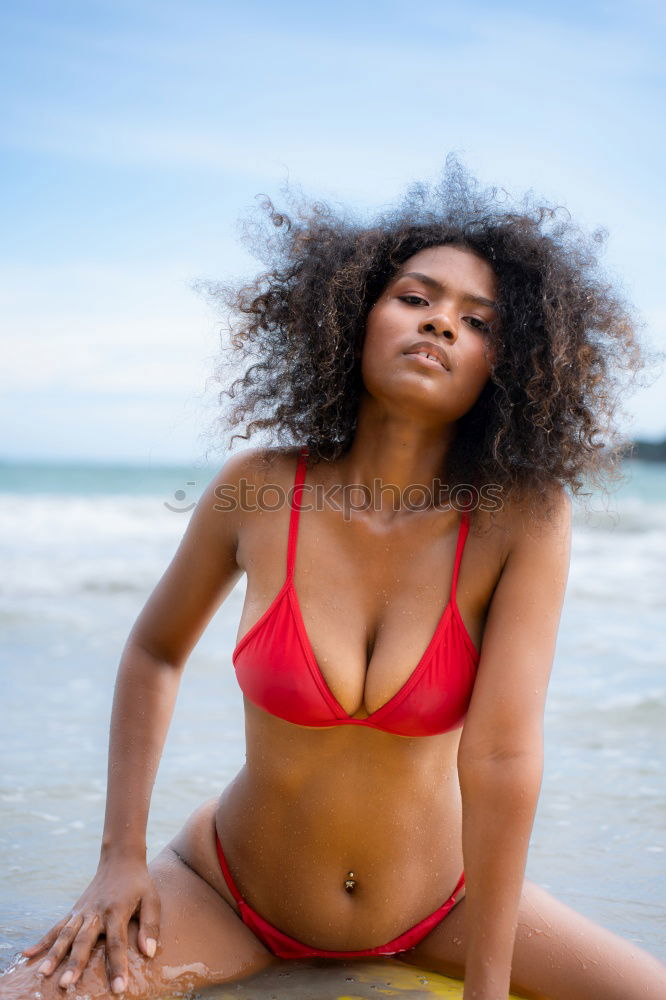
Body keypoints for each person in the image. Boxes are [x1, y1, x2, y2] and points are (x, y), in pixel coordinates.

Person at [2, 157, 664, 1000]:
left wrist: (490, 986)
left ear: (511, 366)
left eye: (478, 320)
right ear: (355, 315)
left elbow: (502, 755)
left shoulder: (521, 520)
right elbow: (155, 652)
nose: (441, 326)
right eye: (415, 299)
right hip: (228, 896)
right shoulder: (259, 487)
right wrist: (119, 861)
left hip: (441, 905)